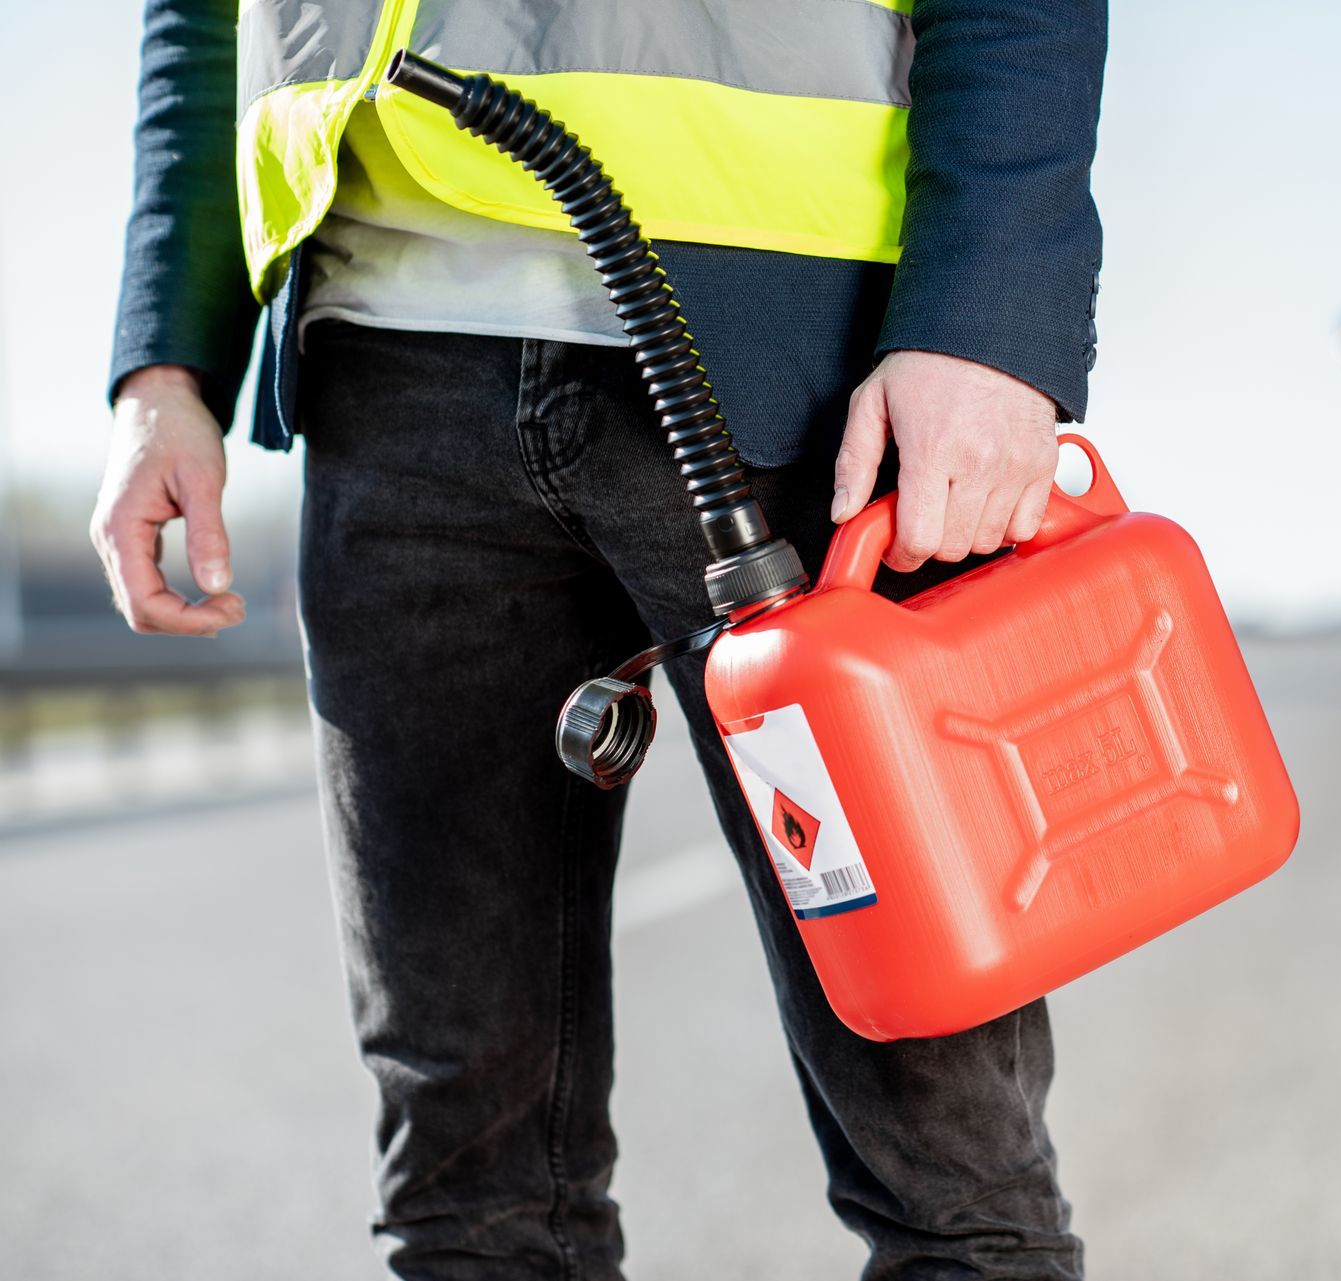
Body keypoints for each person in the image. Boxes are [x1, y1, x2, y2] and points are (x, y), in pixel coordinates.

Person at [91, 1, 1105, 1277]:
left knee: (949, 1161)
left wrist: (988, 318)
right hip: (390, 376)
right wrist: (164, 368)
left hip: (801, 377)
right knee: (466, 1184)